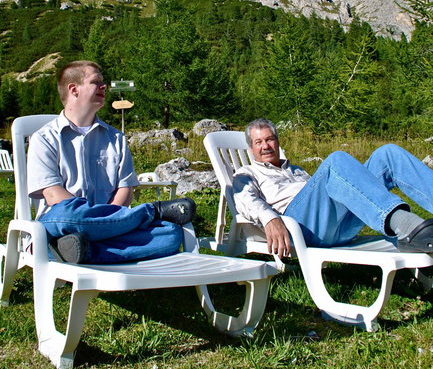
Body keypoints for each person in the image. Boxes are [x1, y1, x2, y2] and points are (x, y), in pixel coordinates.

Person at [27, 60, 196, 264]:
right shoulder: (44, 138)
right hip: (63, 224)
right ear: (74, 89)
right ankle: (152, 211)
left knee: (170, 234)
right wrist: (104, 219)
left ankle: (83, 251)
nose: (104, 86)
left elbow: (124, 191)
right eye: (96, 82)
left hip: (112, 226)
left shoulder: (115, 139)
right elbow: (54, 196)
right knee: (65, 212)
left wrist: (107, 223)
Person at [233, 118, 433, 259]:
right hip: (301, 227)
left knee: (388, 154)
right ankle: (405, 224)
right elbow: (245, 200)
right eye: (258, 142)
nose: (265, 146)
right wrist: (271, 218)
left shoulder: (297, 170)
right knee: (336, 161)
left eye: (269, 139)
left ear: (277, 142)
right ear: (251, 149)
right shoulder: (246, 173)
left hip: (336, 224)